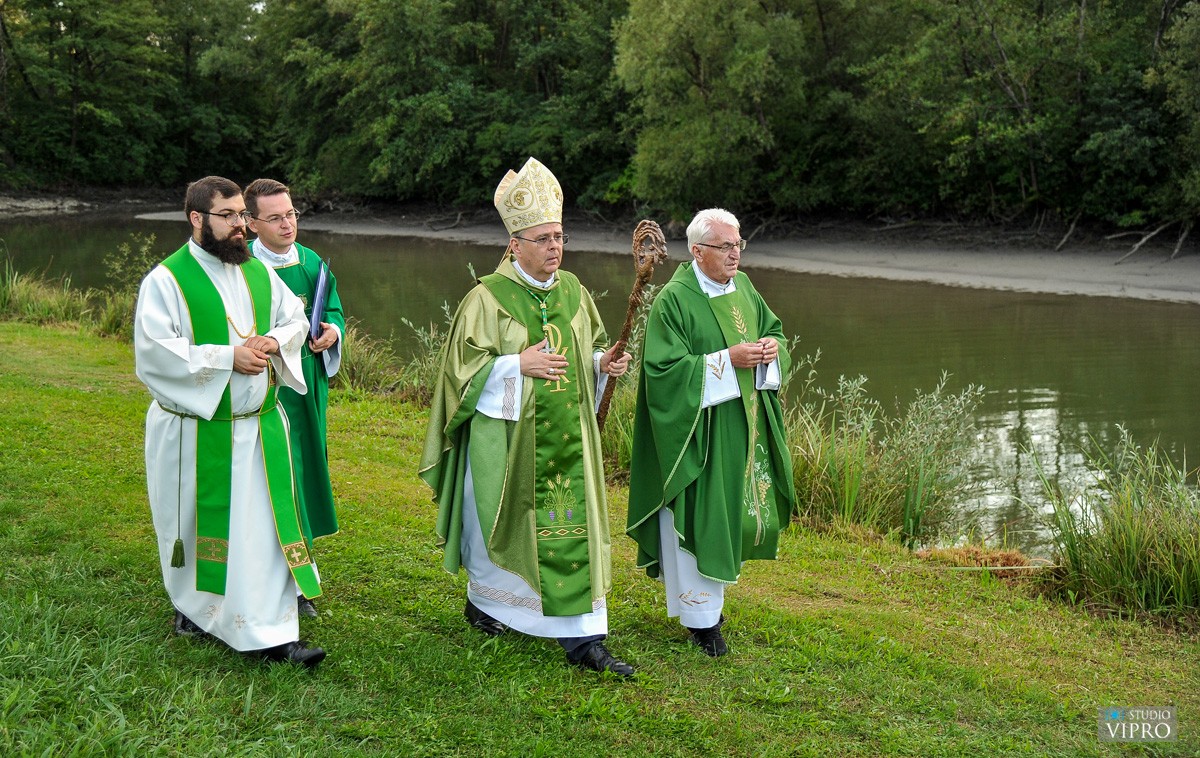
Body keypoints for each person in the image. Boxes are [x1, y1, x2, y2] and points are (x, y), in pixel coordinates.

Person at [419, 157, 635, 676]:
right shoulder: (485, 299)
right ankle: (489, 604)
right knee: (502, 524)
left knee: (571, 528)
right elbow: (459, 376)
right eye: (542, 239)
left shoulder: (575, 292)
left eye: (559, 236)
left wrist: (601, 364)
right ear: (515, 244)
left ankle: (584, 639)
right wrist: (517, 364)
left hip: (569, 440)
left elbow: (585, 353)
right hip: (507, 442)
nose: (555, 248)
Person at [134, 175, 327, 667]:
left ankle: (269, 633)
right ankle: (195, 610)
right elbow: (155, 354)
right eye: (229, 216)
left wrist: (273, 343)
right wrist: (228, 359)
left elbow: (296, 318)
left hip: (259, 427)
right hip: (196, 431)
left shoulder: (258, 274)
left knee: (261, 534)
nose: (241, 226)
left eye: (243, 214)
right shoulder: (166, 281)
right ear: (197, 219)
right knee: (201, 527)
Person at [626, 207, 796, 657]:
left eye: (738, 244)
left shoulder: (744, 288)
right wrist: (726, 362)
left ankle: (711, 606)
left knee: (726, 516)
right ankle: (702, 619)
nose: (735, 254)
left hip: (740, 429)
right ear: (698, 251)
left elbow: (773, 330)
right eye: (725, 246)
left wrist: (772, 349)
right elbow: (663, 374)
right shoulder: (675, 299)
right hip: (697, 435)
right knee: (700, 514)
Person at [244, 178, 344, 618]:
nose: (288, 225)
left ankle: (303, 568)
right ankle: (278, 572)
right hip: (266, 386)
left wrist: (332, 332)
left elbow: (334, 308)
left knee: (303, 469)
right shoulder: (241, 268)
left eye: (292, 214)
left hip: (307, 386)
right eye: (276, 218)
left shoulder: (310, 262)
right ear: (249, 224)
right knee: (272, 474)